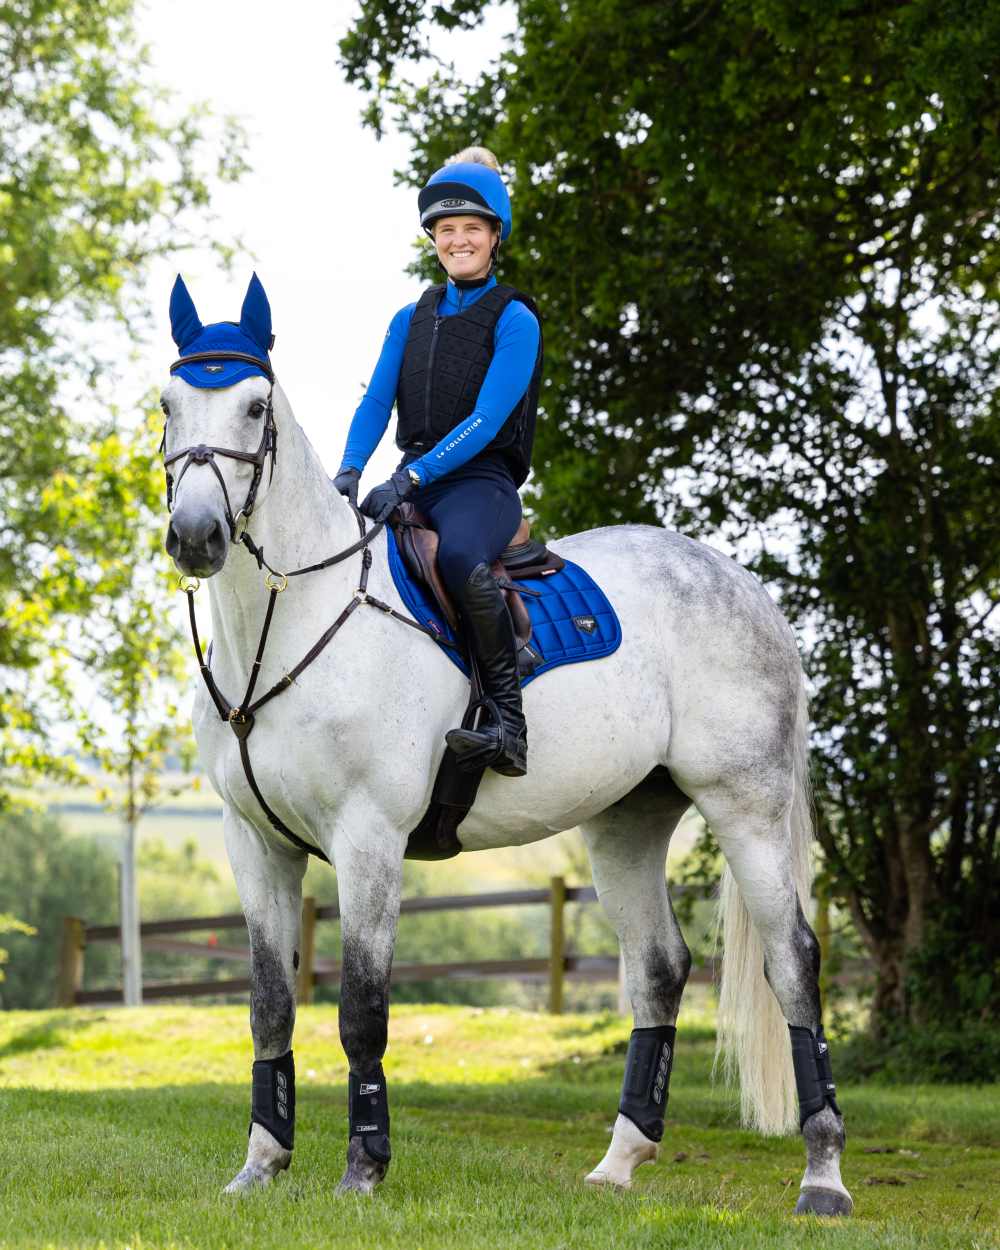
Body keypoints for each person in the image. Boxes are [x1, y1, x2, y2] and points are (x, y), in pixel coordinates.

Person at [332, 147, 542, 778]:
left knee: (457, 558)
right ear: (433, 240)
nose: (458, 241)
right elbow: (376, 400)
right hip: (412, 479)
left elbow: (485, 419)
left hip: (480, 483)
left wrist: (412, 477)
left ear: (495, 237)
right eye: (446, 231)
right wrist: (348, 468)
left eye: (472, 230)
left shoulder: (516, 318)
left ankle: (510, 725)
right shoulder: (409, 317)